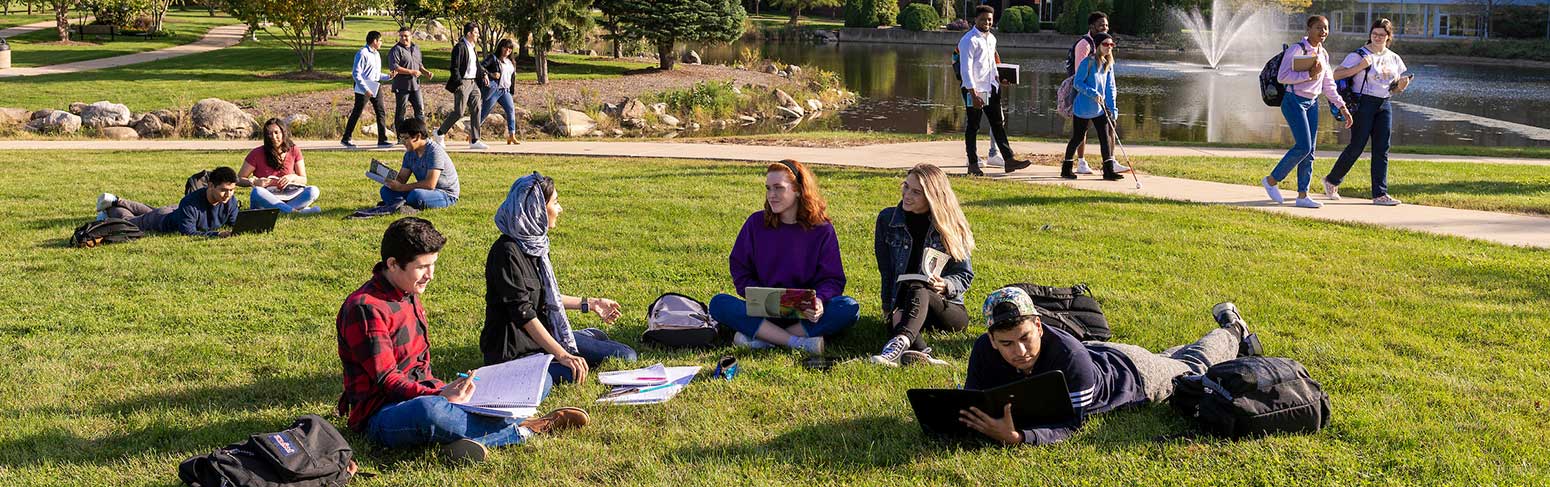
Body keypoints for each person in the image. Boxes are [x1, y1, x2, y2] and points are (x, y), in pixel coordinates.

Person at [335, 217, 590, 463]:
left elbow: (420, 368)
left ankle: (460, 438)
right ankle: (523, 428)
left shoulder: (407, 291)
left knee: (539, 377)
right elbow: (387, 381)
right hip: (384, 412)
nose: (430, 275)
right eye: (422, 267)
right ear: (392, 264)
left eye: (433, 264)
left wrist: (453, 388)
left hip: (430, 391)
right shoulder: (365, 308)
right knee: (430, 413)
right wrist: (440, 395)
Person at [958, 287, 1254, 445]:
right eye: (1007, 344)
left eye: (1025, 338)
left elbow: (1070, 424)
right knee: (1171, 360)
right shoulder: (984, 348)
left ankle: (1233, 330)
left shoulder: (1068, 357)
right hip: (1101, 355)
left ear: (1038, 325)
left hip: (1135, 374)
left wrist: (1020, 437)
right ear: (992, 339)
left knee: (1191, 366)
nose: (1019, 351)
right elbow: (974, 399)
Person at [483, 172, 638, 384]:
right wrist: (563, 354)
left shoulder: (535, 244)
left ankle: (583, 336)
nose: (560, 209)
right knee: (572, 373)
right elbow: (523, 313)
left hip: (543, 337)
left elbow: (546, 296)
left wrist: (591, 304)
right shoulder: (506, 253)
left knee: (624, 354)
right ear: (535, 208)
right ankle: (579, 339)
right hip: (517, 352)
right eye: (555, 202)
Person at [709, 160, 860, 355]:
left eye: (779, 188)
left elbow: (833, 278)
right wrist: (755, 295)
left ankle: (763, 338)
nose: (771, 195)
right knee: (719, 303)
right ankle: (797, 342)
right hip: (764, 308)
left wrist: (820, 301)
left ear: (798, 190)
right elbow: (740, 268)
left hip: (804, 313)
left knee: (848, 308)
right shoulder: (756, 223)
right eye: (768, 188)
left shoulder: (822, 229)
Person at [870, 164, 974, 367]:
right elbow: (887, 271)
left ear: (933, 197)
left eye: (916, 192)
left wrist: (945, 285)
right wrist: (886, 306)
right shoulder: (887, 220)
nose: (907, 195)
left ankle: (899, 342)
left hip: (945, 308)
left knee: (920, 289)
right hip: (905, 305)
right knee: (899, 313)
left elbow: (964, 274)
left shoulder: (949, 226)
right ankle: (921, 353)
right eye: (906, 187)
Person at [1263, 15, 1353, 209]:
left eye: (1326, 28)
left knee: (1310, 151)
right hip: (1293, 101)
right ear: (1309, 29)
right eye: (1318, 28)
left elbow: (1328, 85)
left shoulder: (1324, 54)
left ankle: (1303, 195)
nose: (1323, 32)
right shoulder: (1297, 49)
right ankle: (1271, 181)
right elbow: (1283, 77)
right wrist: (1308, 74)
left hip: (1312, 103)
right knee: (1303, 146)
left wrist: (1342, 107)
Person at [1323, 18, 1409, 207]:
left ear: (1388, 37)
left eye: (1382, 34)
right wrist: (1359, 67)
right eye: (1374, 34)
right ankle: (1332, 180)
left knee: (1382, 149)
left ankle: (1380, 194)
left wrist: (1401, 86)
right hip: (1363, 103)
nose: (1377, 37)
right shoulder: (1360, 54)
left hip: (1384, 104)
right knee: (1357, 146)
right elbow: (1335, 74)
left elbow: (1393, 87)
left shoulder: (1394, 58)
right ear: (1370, 34)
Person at [958, 5, 1031, 177]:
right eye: (983, 19)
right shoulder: (969, 40)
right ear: (975, 20)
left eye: (989, 19)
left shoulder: (991, 38)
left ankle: (1009, 159)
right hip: (975, 89)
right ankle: (973, 163)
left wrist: (1000, 78)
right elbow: (966, 70)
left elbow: (991, 64)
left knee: (998, 125)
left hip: (991, 88)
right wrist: (973, 94)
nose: (987, 22)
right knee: (973, 126)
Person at [1062, 12, 1127, 176]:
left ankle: (1108, 170)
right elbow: (1077, 83)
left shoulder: (1107, 63)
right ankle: (1067, 168)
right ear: (1098, 45)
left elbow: (1109, 88)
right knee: (1077, 137)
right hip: (1083, 107)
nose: (1109, 47)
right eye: (1106, 44)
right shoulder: (1088, 62)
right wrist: (1093, 93)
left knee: (1105, 138)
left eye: (1111, 45)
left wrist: (1112, 109)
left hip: (1099, 108)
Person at [94, 166, 240, 237]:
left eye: (232, 190)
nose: (228, 194)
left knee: (150, 210)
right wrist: (216, 235)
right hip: (161, 220)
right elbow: (188, 232)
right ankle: (109, 209)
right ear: (210, 185)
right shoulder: (190, 203)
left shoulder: (231, 201)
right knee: (130, 221)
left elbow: (236, 223)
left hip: (174, 211)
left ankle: (118, 200)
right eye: (224, 190)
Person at [239, 118, 321, 215]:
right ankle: (296, 212)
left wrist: (292, 178)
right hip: (266, 197)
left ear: (283, 132)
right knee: (257, 192)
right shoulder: (256, 153)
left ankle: (282, 211)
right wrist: (254, 182)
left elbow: (303, 179)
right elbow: (238, 179)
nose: (273, 137)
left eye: (276, 132)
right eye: (269, 133)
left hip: (289, 194)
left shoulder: (294, 150)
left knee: (313, 191)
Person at [380, 118, 460, 210]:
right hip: (425, 191)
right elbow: (402, 178)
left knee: (416, 195)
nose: (403, 142)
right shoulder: (409, 153)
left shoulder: (434, 151)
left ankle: (401, 204)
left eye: (406, 138)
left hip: (445, 193)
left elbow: (430, 184)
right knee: (385, 191)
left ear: (418, 137)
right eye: (401, 138)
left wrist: (401, 187)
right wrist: (389, 179)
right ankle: (404, 205)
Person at [438, 22, 488, 151]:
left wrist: (484, 74)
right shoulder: (459, 47)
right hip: (463, 82)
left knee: (476, 109)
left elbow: (476, 65)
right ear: (469, 33)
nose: (478, 35)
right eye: (476, 33)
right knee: (459, 112)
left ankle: (475, 140)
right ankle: (439, 133)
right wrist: (459, 83)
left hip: (473, 83)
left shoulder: (472, 47)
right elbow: (454, 67)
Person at [342, 30, 391, 148]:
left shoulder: (377, 54)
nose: (381, 43)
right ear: (374, 41)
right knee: (357, 112)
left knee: (381, 111)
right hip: (363, 87)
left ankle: (382, 139)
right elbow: (356, 74)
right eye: (380, 41)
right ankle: (346, 138)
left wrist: (388, 76)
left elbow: (376, 74)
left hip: (375, 85)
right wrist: (365, 89)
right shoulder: (362, 53)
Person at [387, 27, 434, 134]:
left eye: (406, 36)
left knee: (420, 111)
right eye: (401, 36)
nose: (403, 38)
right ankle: (401, 137)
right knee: (401, 112)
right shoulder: (395, 50)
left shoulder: (416, 48)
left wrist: (426, 72)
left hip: (415, 86)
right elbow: (395, 68)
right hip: (402, 86)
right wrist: (412, 72)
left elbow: (419, 65)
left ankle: (422, 135)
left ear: (411, 36)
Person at [479, 38, 521, 146]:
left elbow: (512, 78)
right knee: (485, 112)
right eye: (505, 47)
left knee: (511, 110)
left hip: (505, 91)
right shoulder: (493, 58)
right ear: (501, 47)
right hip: (494, 90)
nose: (508, 50)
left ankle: (512, 135)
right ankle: (472, 133)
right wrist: (491, 74)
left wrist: (511, 91)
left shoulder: (511, 62)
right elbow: (480, 67)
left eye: (510, 48)